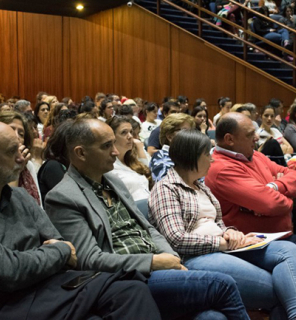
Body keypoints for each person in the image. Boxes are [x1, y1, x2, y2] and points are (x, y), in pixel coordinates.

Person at [0, 119, 159, 320]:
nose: (22, 157)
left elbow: (68, 252)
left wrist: (19, 268)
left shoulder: (20, 197)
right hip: (1, 309)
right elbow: (10, 271)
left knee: (131, 288)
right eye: (13, 151)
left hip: (43, 292)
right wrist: (48, 256)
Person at [44, 118, 251, 320]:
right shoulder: (64, 197)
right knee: (222, 285)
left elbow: (148, 229)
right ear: (81, 153)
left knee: (212, 316)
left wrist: (172, 259)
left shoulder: (113, 181)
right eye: (107, 146)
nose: (115, 152)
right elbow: (90, 260)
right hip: (127, 279)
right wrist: (154, 262)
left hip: (158, 266)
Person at [206, 112, 296, 320]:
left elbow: (295, 176)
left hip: (282, 235)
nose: (257, 138)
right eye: (250, 134)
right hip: (253, 242)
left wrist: (276, 185)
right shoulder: (221, 168)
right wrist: (287, 200)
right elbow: (271, 203)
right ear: (230, 139)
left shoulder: (253, 155)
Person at [150, 130, 296, 320]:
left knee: (287, 249)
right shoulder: (166, 189)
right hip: (194, 256)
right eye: (207, 155)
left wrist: (231, 233)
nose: (211, 161)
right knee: (280, 289)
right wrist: (222, 242)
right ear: (192, 156)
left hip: (224, 248)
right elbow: (176, 240)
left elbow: (218, 222)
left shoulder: (200, 186)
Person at [0, 111, 42, 206]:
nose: (16, 136)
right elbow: (8, 205)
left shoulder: (28, 165)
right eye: (11, 130)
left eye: (21, 134)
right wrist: (16, 166)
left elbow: (39, 206)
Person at [107, 116, 152, 201]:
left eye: (131, 132)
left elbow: (147, 172)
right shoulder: (109, 166)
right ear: (112, 137)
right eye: (124, 132)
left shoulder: (131, 160)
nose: (130, 136)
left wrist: (139, 148)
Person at [149, 113, 195, 182]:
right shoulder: (160, 157)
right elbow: (165, 187)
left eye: (191, 131)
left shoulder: (188, 156)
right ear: (170, 137)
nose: (191, 135)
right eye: (185, 131)